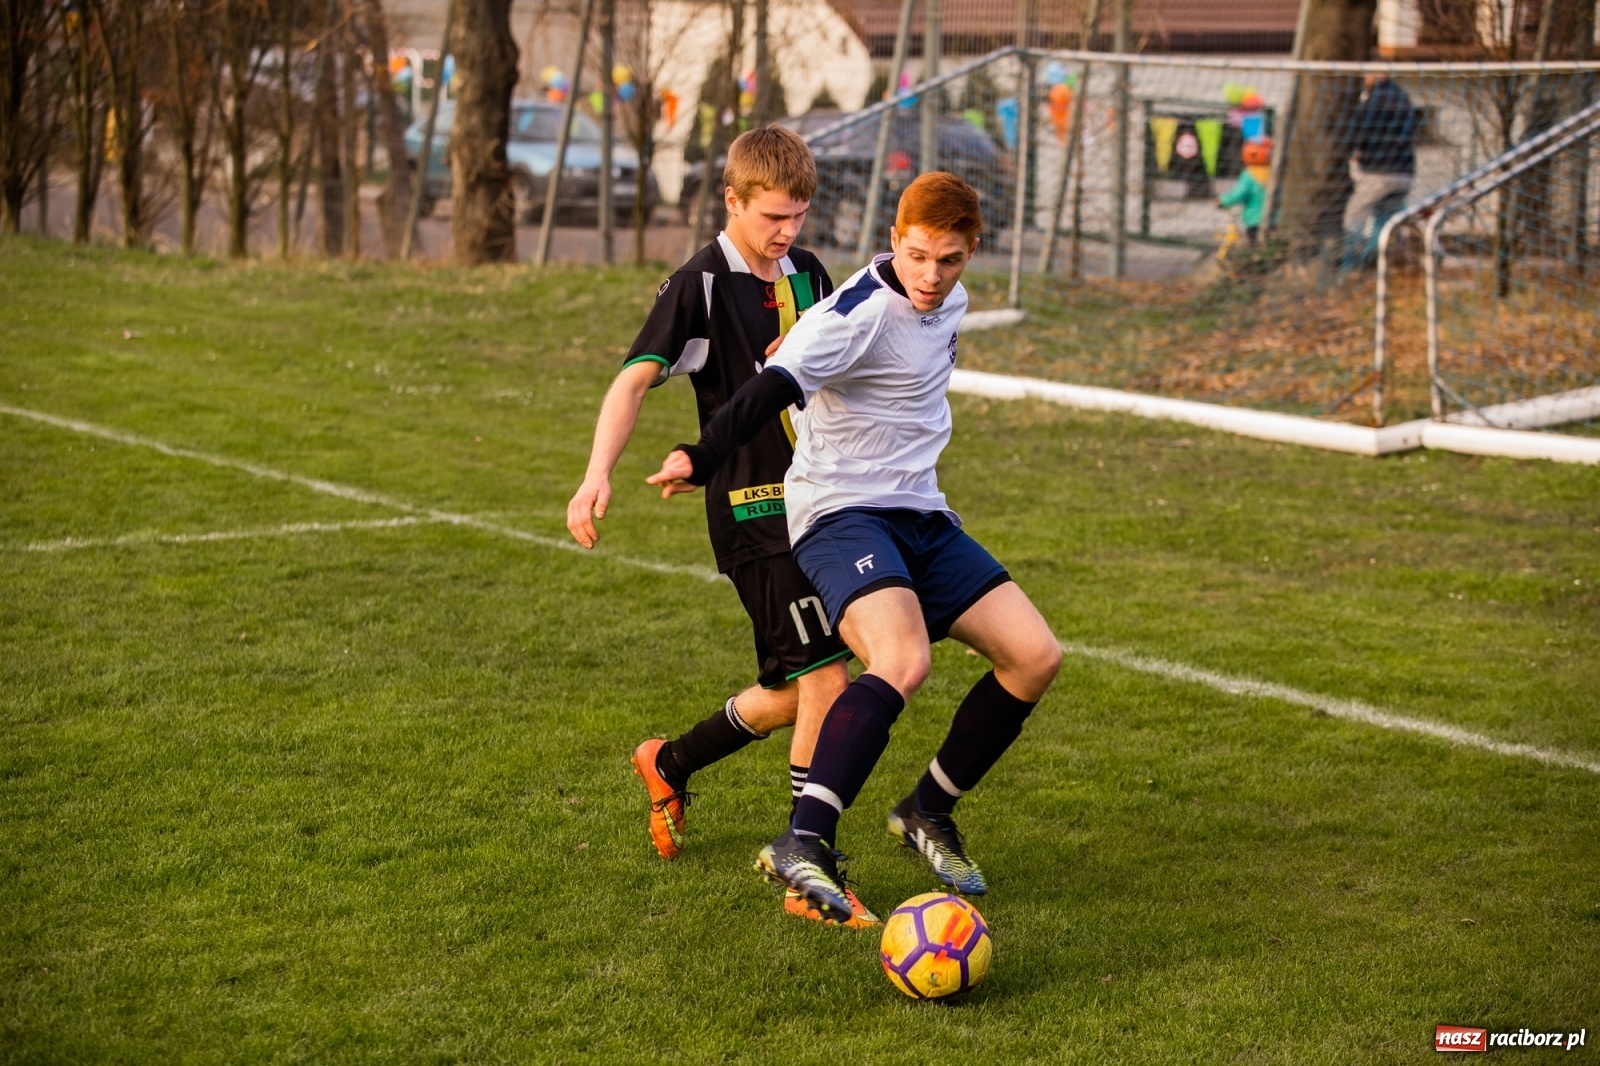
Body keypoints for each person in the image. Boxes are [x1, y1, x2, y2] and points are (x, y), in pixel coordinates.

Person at [647, 172, 1063, 921]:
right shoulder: (853, 314)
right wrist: (702, 457)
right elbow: (769, 389)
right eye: (916, 256)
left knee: (1035, 657)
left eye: (950, 260)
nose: (931, 276)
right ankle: (804, 840)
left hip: (921, 512)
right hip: (840, 513)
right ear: (893, 238)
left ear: (972, 250)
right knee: (901, 661)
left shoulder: (951, 301)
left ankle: (926, 811)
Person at [566, 126, 872, 927]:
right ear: (731, 200)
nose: (789, 232)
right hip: (753, 512)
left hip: (824, 504)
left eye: (799, 215)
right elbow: (632, 384)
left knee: (802, 687)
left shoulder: (807, 271)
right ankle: (812, 871)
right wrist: (596, 474)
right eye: (773, 216)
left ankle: (667, 761)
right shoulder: (698, 286)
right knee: (829, 681)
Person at [1344, 73, 1417, 268]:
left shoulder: (1373, 100)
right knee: (1383, 219)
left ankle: (1350, 264)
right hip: (1405, 173)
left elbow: (1361, 129)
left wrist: (1355, 149)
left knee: (1354, 216)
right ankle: (1375, 261)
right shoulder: (1403, 97)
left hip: (1378, 172)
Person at [1218, 137, 1271, 246]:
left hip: (1254, 220)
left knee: (1253, 245)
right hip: (1274, 220)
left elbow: (1238, 194)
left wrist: (1222, 200)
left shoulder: (1249, 175)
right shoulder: (1274, 172)